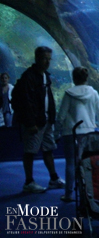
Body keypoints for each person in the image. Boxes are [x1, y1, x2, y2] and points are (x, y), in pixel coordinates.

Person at [12, 46, 65, 193]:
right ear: (37, 58)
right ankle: (29, 182)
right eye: (44, 58)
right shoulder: (29, 76)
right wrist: (29, 123)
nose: (47, 62)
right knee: (30, 151)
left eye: (49, 59)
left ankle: (54, 178)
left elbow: (47, 98)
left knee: (49, 149)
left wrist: (52, 118)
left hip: (46, 120)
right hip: (34, 123)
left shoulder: (45, 75)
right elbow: (24, 101)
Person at [55, 66, 99, 202]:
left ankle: (69, 194)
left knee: (71, 163)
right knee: (87, 163)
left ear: (74, 78)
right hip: (88, 132)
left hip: (70, 132)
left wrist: (56, 133)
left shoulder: (69, 93)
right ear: (86, 78)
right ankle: (87, 194)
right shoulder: (93, 93)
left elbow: (61, 116)